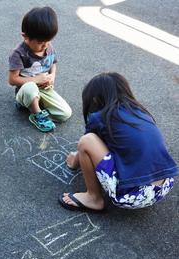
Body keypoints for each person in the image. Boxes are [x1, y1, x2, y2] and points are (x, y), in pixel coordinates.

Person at [59, 72, 178, 212]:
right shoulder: (139, 111)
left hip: (134, 196)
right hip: (164, 186)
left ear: (95, 99)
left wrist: (75, 161)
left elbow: (87, 146)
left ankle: (93, 198)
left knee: (86, 141)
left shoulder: (100, 117)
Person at [8, 6, 72, 132]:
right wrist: (36, 79)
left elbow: (53, 62)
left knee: (65, 113)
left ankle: (35, 105)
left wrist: (52, 76)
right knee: (31, 87)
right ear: (25, 37)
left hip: (44, 89)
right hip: (25, 89)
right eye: (40, 43)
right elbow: (12, 79)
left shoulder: (47, 46)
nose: (45, 46)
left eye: (48, 41)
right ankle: (36, 113)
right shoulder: (18, 53)